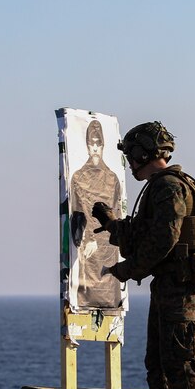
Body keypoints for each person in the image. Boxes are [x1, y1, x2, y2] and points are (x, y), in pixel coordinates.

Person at [91, 121, 195, 389]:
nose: (130, 163)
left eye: (131, 155)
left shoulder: (168, 188)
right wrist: (113, 225)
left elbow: (163, 240)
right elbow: (148, 233)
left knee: (180, 361)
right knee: (158, 362)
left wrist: (126, 270)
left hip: (180, 289)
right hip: (168, 286)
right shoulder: (163, 187)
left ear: (142, 153)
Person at [68, 119, 122, 310]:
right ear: (87, 145)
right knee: (86, 296)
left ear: (103, 145)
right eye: (92, 143)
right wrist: (88, 238)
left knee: (109, 292)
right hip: (88, 250)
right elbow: (77, 212)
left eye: (98, 143)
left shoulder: (112, 178)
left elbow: (118, 211)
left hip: (110, 247)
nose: (95, 148)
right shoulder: (78, 177)